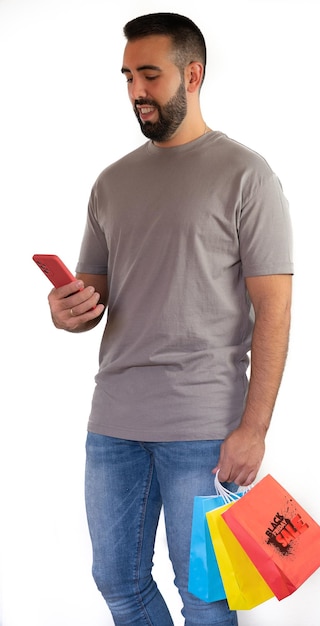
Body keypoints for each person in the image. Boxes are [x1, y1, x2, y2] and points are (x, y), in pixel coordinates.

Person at [47, 12, 293, 626]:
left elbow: (275, 308)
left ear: (193, 74)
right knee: (116, 583)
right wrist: (66, 311)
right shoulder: (111, 182)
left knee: (204, 596)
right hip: (113, 421)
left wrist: (253, 428)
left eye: (149, 75)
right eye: (128, 76)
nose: (136, 91)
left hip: (202, 426)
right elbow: (94, 299)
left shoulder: (246, 174)